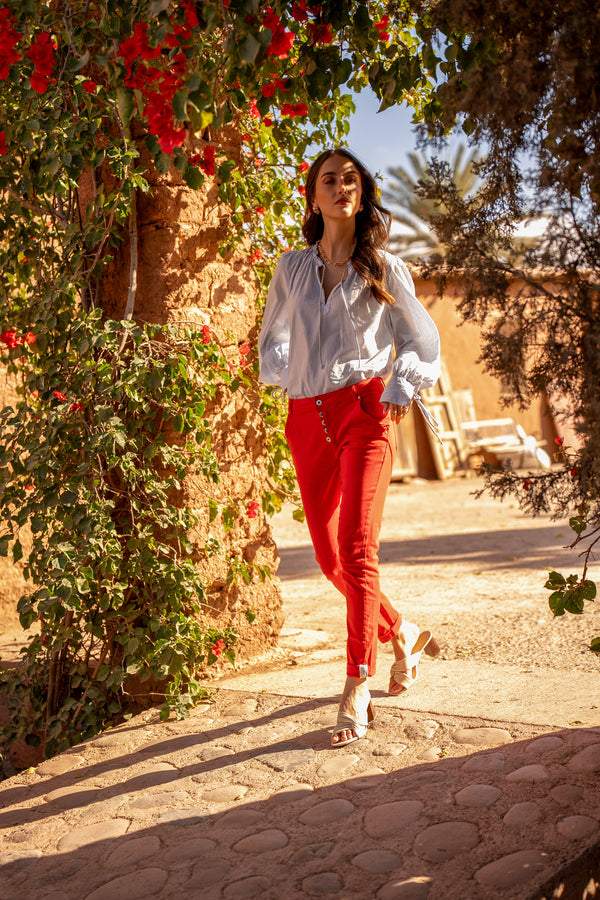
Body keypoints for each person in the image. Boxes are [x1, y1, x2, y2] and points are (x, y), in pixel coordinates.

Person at [258, 148, 441, 747]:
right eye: (328, 180)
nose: (341, 187)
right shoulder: (290, 269)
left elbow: (422, 342)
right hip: (306, 416)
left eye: (351, 180)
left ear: (362, 195)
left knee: (357, 546)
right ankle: (401, 631)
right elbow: (273, 338)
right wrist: (287, 373)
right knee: (330, 557)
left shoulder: (385, 268)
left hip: (366, 412)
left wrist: (399, 385)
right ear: (312, 195)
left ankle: (355, 683)